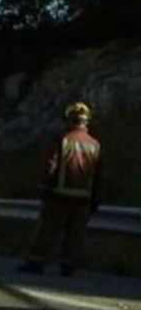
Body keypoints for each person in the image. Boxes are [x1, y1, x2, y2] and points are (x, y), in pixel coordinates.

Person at [20, 102, 102, 276]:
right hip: (83, 198)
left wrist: (44, 187)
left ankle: (36, 262)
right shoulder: (95, 144)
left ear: (70, 120)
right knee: (75, 234)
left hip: (59, 195)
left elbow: (51, 165)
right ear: (86, 122)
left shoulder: (62, 139)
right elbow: (98, 174)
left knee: (48, 230)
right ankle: (69, 266)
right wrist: (96, 198)